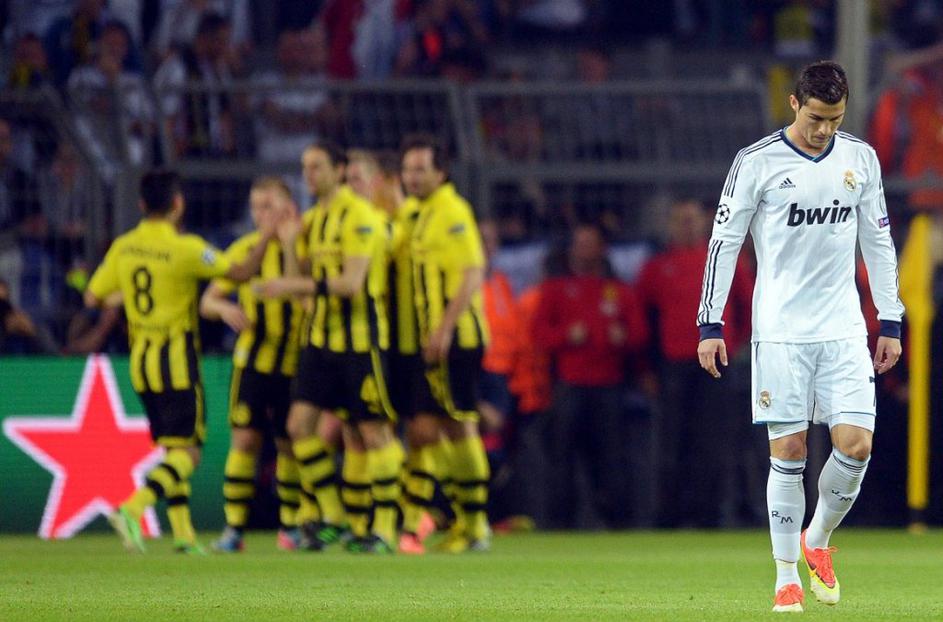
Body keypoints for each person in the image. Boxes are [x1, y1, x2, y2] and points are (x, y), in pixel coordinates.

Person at [696, 61, 904, 613]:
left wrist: (890, 318)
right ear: (794, 104)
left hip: (843, 329)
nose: (824, 130)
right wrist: (710, 323)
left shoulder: (860, 158)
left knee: (856, 446)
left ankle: (817, 539)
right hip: (781, 331)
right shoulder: (756, 162)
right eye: (816, 118)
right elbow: (724, 241)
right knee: (788, 451)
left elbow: (879, 243)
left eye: (835, 119)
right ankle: (785, 575)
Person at [84, 168, 275, 554]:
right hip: (176, 364)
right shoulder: (186, 248)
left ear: (142, 204)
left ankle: (184, 536)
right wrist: (268, 236)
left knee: (172, 451)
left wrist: (132, 296)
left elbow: (93, 297)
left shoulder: (124, 246)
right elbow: (241, 272)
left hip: (141, 365)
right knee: (189, 454)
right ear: (178, 204)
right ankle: (133, 507)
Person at [257, 141, 401, 553]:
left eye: (317, 166)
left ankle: (385, 529)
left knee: (372, 432)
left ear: (339, 171)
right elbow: (298, 286)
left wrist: (290, 283)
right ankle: (334, 515)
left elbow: (351, 284)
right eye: (305, 167)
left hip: (361, 342)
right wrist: (288, 245)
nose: (309, 174)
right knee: (298, 427)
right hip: (319, 341)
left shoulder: (360, 216)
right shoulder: (315, 220)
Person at [199, 177, 307, 553]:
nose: (260, 214)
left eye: (268, 206)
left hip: (295, 361)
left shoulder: (305, 247)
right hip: (253, 362)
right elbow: (207, 301)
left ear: (288, 208)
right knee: (245, 441)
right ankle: (233, 530)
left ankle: (291, 527)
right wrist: (224, 307)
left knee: (289, 445)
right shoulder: (244, 249)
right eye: (256, 207)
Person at [636, 199, 754, 527]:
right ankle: (670, 515)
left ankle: (710, 514)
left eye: (691, 219)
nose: (686, 225)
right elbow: (643, 320)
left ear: (704, 222)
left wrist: (734, 343)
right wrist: (646, 368)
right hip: (674, 364)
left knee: (714, 441)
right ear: (670, 225)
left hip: (716, 363)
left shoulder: (726, 260)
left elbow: (748, 306)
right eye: (679, 219)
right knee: (671, 442)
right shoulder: (657, 267)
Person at [401, 134, 492, 552]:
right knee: (427, 429)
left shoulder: (453, 212)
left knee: (459, 425)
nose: (412, 177)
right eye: (408, 169)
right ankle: (459, 519)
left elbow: (472, 272)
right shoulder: (416, 213)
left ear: (441, 172)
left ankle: (474, 526)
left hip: (458, 337)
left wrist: (445, 328)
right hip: (429, 339)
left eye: (421, 169)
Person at [531, 223, 648, 529]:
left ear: (601, 249)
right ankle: (559, 522)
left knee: (611, 458)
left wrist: (624, 337)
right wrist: (566, 335)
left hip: (609, 385)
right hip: (569, 385)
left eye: (589, 243)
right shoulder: (555, 289)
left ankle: (616, 522)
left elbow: (639, 334)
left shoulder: (618, 290)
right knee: (562, 456)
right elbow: (539, 334)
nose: (584, 250)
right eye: (579, 243)